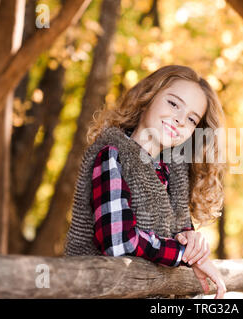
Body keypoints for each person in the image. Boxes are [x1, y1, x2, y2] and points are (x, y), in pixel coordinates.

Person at [64, 65, 227, 299]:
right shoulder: (112, 153)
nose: (180, 119)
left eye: (192, 119)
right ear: (147, 97)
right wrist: (183, 254)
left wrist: (194, 244)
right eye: (173, 104)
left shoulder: (173, 172)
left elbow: (179, 233)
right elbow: (119, 243)